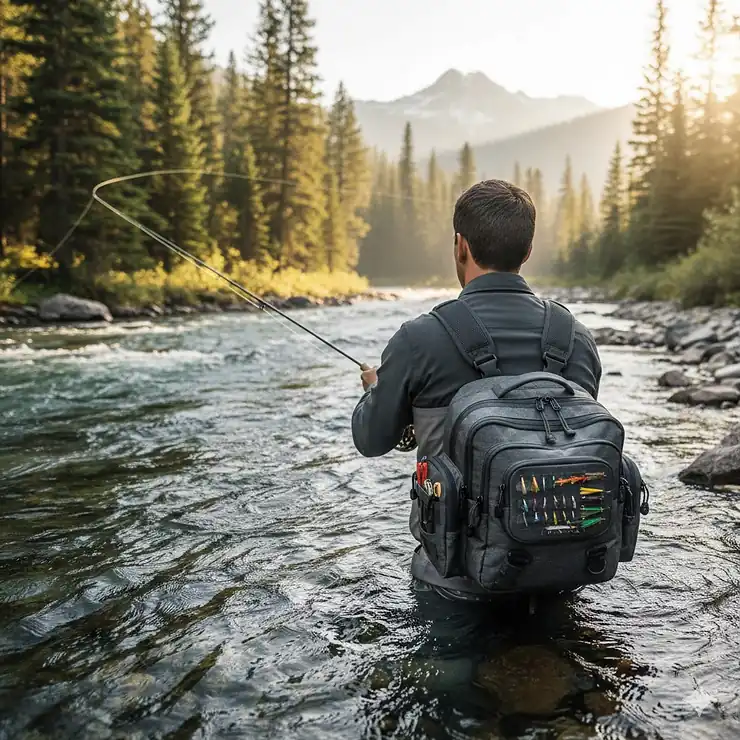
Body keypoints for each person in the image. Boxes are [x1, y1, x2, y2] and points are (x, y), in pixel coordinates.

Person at [351, 179, 607, 602]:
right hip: (562, 575)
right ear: (527, 251)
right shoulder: (574, 338)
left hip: (453, 583)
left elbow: (371, 440)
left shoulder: (419, 339)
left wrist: (375, 391)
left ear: (460, 246)